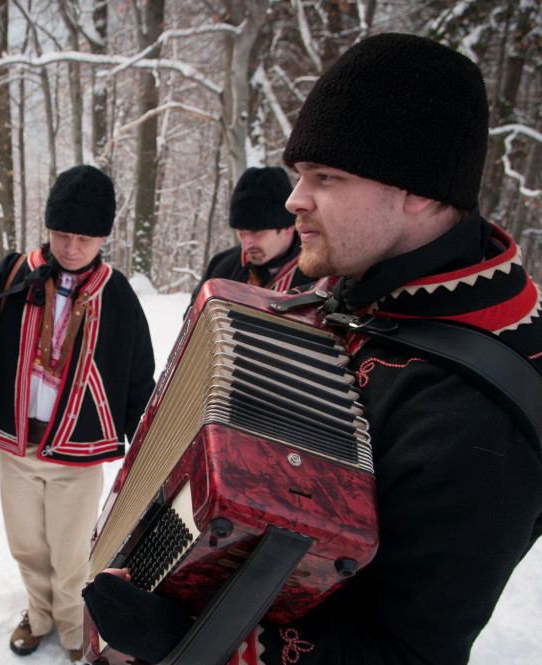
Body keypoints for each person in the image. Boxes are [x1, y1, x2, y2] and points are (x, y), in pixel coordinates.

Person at [84, 33, 542, 665]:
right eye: (301, 174)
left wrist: (190, 642)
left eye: (327, 177)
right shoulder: (333, 278)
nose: (295, 199)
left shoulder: (479, 411)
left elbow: (405, 651)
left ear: (422, 192)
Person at [0, 165, 156, 664]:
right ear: (48, 227)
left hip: (78, 453)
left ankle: (75, 620)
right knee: (27, 545)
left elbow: (139, 373)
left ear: (103, 236)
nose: (71, 248)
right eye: (62, 234)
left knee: (72, 551)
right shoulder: (13, 274)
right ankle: (39, 614)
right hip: (16, 445)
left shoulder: (117, 295)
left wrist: (146, 445)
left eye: (84, 238)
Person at [188, 165, 313, 308]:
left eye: (256, 233)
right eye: (241, 232)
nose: (245, 245)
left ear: (288, 228)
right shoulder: (221, 268)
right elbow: (192, 320)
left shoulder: (318, 275)